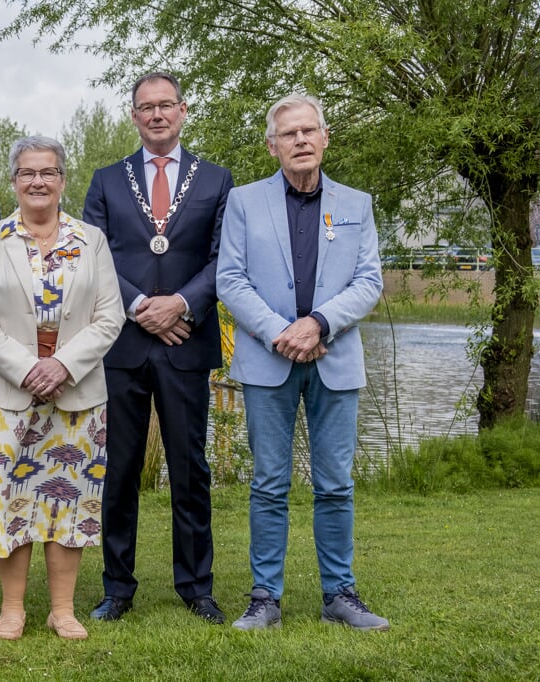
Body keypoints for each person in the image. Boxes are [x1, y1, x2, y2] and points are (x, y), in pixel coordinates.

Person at [217, 94, 388, 631]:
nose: (300, 141)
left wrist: (318, 323)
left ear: (325, 136)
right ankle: (265, 598)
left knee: (335, 483)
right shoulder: (244, 202)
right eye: (288, 134)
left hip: (334, 357)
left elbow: (369, 282)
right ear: (273, 145)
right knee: (269, 482)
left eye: (308, 131)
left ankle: (340, 594)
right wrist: (279, 332)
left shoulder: (356, 204)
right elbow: (230, 279)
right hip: (269, 360)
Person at [0, 136, 124, 640]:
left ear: (62, 180)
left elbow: (110, 316)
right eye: (28, 172)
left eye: (48, 172)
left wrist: (63, 366)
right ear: (14, 181)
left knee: (68, 502)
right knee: (8, 499)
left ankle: (62, 609)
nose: (38, 181)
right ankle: (12, 609)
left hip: (76, 392)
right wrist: (29, 368)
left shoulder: (89, 239)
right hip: (4, 394)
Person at [83, 72, 234, 624]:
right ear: (133, 116)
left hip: (186, 343)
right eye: (145, 107)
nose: (156, 115)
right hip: (122, 344)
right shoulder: (105, 180)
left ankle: (196, 586)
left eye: (165, 105)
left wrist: (182, 305)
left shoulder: (218, 180)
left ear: (183, 110)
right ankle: (117, 589)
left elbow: (224, 259)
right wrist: (143, 306)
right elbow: (93, 255)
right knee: (118, 470)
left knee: (190, 469)